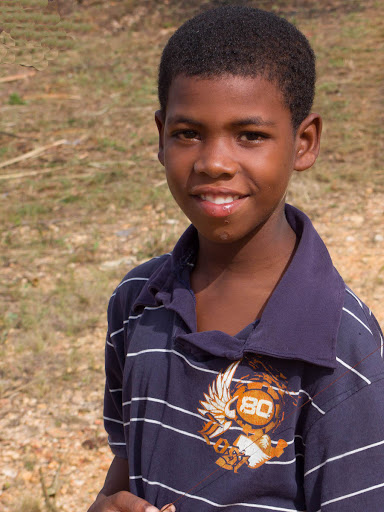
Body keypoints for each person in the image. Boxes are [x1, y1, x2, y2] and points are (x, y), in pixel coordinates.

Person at [87, 6, 384, 512]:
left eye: (250, 135)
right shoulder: (137, 303)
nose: (215, 162)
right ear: (160, 136)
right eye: (188, 133)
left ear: (304, 142)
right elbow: (126, 459)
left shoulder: (342, 352)